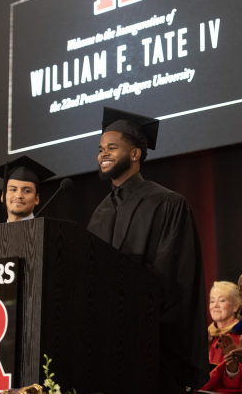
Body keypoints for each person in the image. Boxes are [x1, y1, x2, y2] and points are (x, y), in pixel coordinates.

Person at [86, 107, 208, 393]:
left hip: (151, 345)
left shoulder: (167, 203)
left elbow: (174, 278)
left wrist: (129, 310)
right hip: (103, 346)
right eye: (101, 148)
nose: (103, 153)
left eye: (112, 147)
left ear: (135, 154)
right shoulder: (100, 213)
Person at [0, 155, 55, 222]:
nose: (19, 195)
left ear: (36, 199)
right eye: (13, 190)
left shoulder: (47, 231)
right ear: (3, 196)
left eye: (26, 191)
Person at [208, 281, 242, 371]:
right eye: (212, 301)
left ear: (235, 306)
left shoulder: (241, 334)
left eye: (222, 300)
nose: (215, 305)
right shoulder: (206, 335)